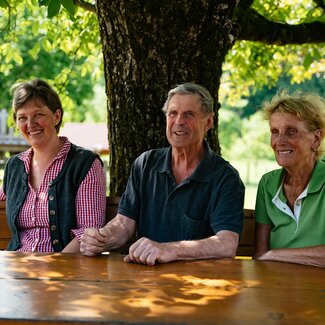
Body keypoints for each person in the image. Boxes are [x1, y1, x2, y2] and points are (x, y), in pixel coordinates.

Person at [80, 82, 245, 265]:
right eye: (173, 113)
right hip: (146, 277)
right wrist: (102, 239)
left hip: (199, 283)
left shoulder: (225, 177)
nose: (179, 121)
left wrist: (168, 249)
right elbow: (124, 225)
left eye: (189, 114)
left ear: (208, 121)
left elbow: (227, 244)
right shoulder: (145, 164)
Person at [0, 79, 106, 253]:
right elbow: (6, 192)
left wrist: (55, 268)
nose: (30, 124)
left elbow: (88, 232)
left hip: (64, 269)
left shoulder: (84, 164)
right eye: (22, 118)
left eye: (38, 115)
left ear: (56, 116)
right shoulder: (15, 166)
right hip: (15, 267)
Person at [254, 90, 325, 268]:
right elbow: (260, 254)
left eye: (291, 132)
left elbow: (266, 255)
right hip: (277, 286)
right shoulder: (267, 184)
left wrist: (276, 254)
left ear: (316, 139)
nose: (280, 141)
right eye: (275, 132)